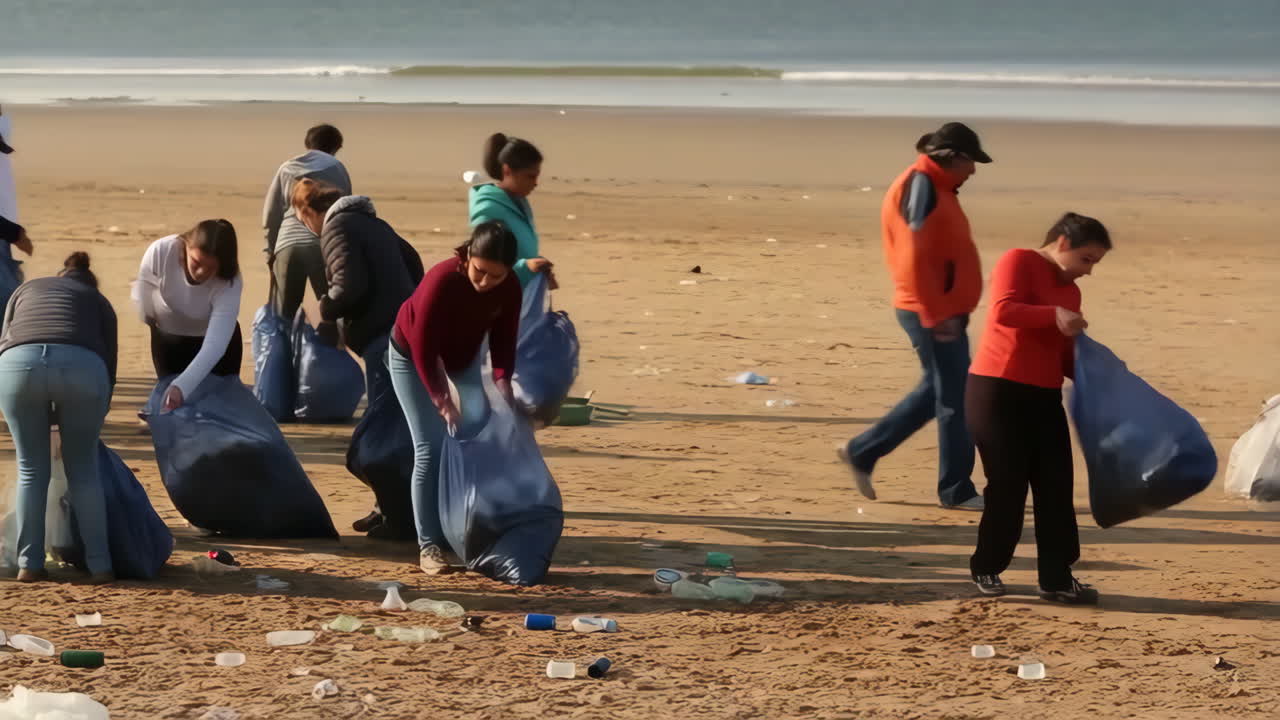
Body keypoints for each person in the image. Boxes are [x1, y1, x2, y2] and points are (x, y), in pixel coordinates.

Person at [838, 122, 991, 510]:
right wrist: (936, 313)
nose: (973, 170)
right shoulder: (921, 185)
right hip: (929, 310)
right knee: (957, 397)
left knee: (938, 391)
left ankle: (862, 451)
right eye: (970, 161)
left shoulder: (936, 185)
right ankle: (957, 491)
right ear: (952, 156)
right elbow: (912, 254)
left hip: (940, 308)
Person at [967, 212, 1111, 605]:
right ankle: (987, 565)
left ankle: (1056, 577)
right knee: (1008, 485)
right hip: (996, 391)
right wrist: (1053, 315)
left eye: (1094, 263)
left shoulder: (1072, 293)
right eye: (1086, 260)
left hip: (1044, 396)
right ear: (1062, 244)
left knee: (1055, 486)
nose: (1088, 271)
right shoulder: (1020, 260)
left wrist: (1101, 380)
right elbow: (1004, 310)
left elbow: (1062, 352)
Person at [389, 221, 522, 574]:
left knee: (476, 432)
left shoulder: (509, 288)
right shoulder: (442, 279)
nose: (485, 283)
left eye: (496, 276)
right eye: (480, 272)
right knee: (430, 447)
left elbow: (503, 343)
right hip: (411, 356)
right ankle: (429, 545)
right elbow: (422, 347)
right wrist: (439, 398)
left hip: (461, 361)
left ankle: (458, 528)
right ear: (466, 258)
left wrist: (503, 384)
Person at [0, 252, 117, 583]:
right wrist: (95, 412)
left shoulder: (28, 289)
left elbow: (6, 337)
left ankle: (29, 563)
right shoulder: (99, 301)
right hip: (82, 369)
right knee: (83, 471)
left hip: (16, 366)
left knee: (30, 470)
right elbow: (109, 364)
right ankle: (101, 565)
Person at [292, 178, 423, 404]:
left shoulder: (336, 227)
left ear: (308, 212)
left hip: (379, 333)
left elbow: (348, 285)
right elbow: (413, 264)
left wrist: (327, 310)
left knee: (382, 412)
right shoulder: (375, 223)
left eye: (302, 221)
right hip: (403, 327)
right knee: (398, 409)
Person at [132, 220, 243, 411]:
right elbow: (143, 296)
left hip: (217, 348)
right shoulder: (161, 251)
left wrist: (180, 387)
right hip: (169, 342)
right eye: (197, 262)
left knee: (220, 411)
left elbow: (215, 346)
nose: (201, 273)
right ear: (186, 246)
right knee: (172, 411)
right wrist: (146, 311)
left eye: (211, 268)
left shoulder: (230, 281)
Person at [262, 124, 353, 321]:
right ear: (336, 147)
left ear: (307, 144)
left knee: (284, 316)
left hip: (287, 245)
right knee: (332, 312)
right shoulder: (338, 168)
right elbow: (346, 213)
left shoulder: (286, 168)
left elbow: (271, 214)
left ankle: (285, 352)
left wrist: (270, 251)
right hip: (324, 246)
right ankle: (329, 349)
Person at [469, 133, 554, 288]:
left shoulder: (518, 201)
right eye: (530, 176)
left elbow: (518, 252)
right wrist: (526, 268)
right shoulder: (488, 208)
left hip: (519, 293)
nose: (535, 183)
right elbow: (480, 265)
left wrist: (538, 267)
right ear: (507, 170)